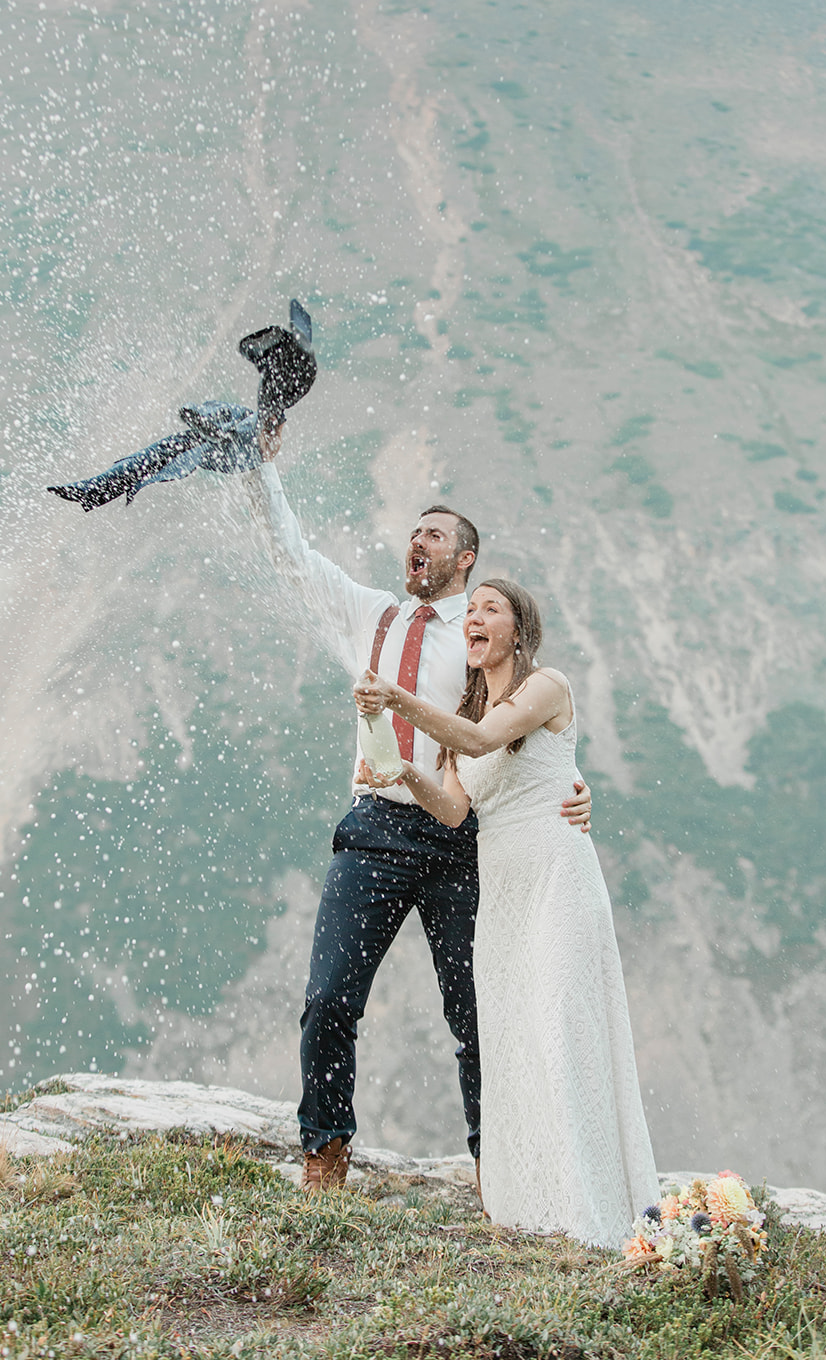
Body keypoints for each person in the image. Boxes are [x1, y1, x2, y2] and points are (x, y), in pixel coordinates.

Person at [241, 431, 592, 1191]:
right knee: (328, 996)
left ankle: (497, 1168)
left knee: (475, 1016)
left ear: (464, 557)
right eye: (412, 534)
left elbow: (520, 727)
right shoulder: (370, 616)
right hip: (374, 825)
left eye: (432, 534)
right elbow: (291, 554)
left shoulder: (481, 637)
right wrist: (260, 467)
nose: (416, 542)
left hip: (461, 836)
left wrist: (571, 792)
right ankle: (324, 1153)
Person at [354, 577, 658, 1246]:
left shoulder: (546, 685)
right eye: (473, 610)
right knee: (515, 1036)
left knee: (560, 1023)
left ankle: (593, 1212)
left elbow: (485, 739)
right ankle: (533, 1208)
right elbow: (457, 810)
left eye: (491, 608)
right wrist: (404, 773)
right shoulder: (464, 715)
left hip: (555, 873)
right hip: (504, 890)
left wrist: (398, 698)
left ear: (518, 630)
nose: (476, 617)